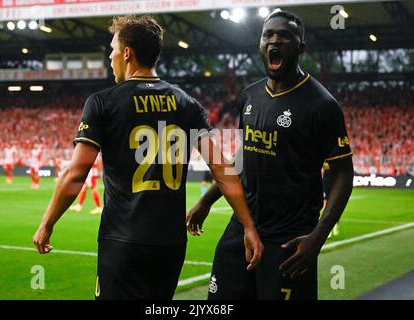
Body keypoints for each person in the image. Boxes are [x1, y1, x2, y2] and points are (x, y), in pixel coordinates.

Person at [33, 15, 263, 300]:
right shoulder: (188, 104)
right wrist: (249, 227)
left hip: (123, 242)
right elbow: (223, 169)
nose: (111, 56)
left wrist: (47, 223)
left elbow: (76, 174)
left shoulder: (102, 102)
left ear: (127, 53)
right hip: (170, 244)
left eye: (113, 49)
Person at [187, 10, 354, 300]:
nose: (275, 41)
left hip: (289, 239)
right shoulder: (250, 96)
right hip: (242, 228)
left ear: (300, 47)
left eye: (285, 36)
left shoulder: (322, 105)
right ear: (261, 44)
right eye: (268, 35)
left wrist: (318, 238)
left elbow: (343, 174)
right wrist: (206, 201)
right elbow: (244, 159)